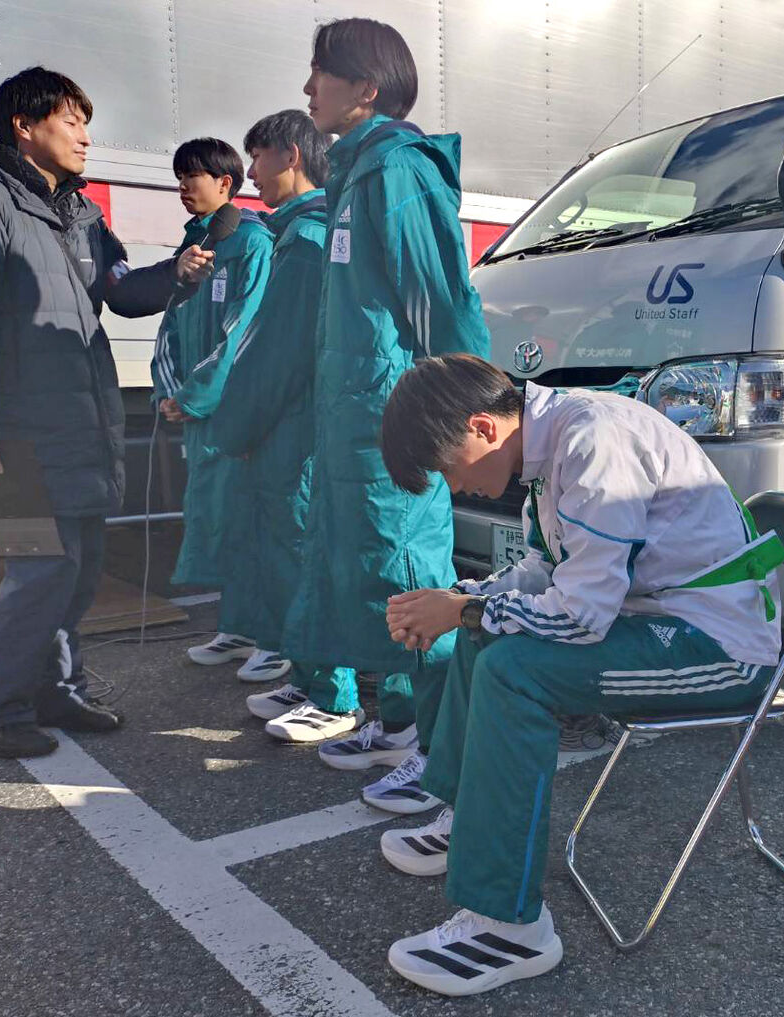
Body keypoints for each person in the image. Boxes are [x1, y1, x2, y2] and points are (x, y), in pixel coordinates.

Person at [376, 354, 784, 996]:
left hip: (724, 649)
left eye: (446, 469)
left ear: (483, 428)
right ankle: (472, 822)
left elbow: (582, 616)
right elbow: (547, 577)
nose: (452, 488)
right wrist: (461, 600)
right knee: (485, 633)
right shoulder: (551, 445)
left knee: (512, 666)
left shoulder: (591, 441)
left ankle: (510, 928)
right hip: (660, 620)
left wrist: (464, 609)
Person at [0, 67, 215, 759]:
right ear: (25, 126)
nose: (87, 136)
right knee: (38, 569)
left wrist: (178, 274)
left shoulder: (81, 212)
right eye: (72, 121)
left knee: (80, 565)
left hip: (77, 422)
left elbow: (121, 294)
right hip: (8, 433)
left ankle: (55, 690)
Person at [278, 18, 490, 780]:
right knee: (371, 579)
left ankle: (440, 753)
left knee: (408, 575)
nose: (307, 90)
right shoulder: (354, 175)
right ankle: (398, 721)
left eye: (320, 74)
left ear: (366, 88)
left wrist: (471, 415)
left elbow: (445, 304)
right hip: (355, 425)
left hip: (394, 426)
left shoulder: (399, 169)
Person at [204, 109, 335, 717]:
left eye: (256, 158)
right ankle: (308, 676)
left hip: (294, 428)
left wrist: (236, 427)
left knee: (301, 556)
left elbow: (277, 354)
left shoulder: (306, 240)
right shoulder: (298, 234)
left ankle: (327, 688)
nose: (249, 172)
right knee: (291, 553)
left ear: (290, 155)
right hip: (290, 424)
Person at [149, 138, 275, 677]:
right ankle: (241, 625)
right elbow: (170, 328)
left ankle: (278, 635)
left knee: (257, 521)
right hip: (201, 416)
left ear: (226, 183)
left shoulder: (251, 242)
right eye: (179, 177)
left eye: (192, 176)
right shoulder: (195, 245)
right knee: (220, 520)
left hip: (236, 413)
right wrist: (167, 391)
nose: (183, 187)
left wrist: (197, 396)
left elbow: (244, 330)